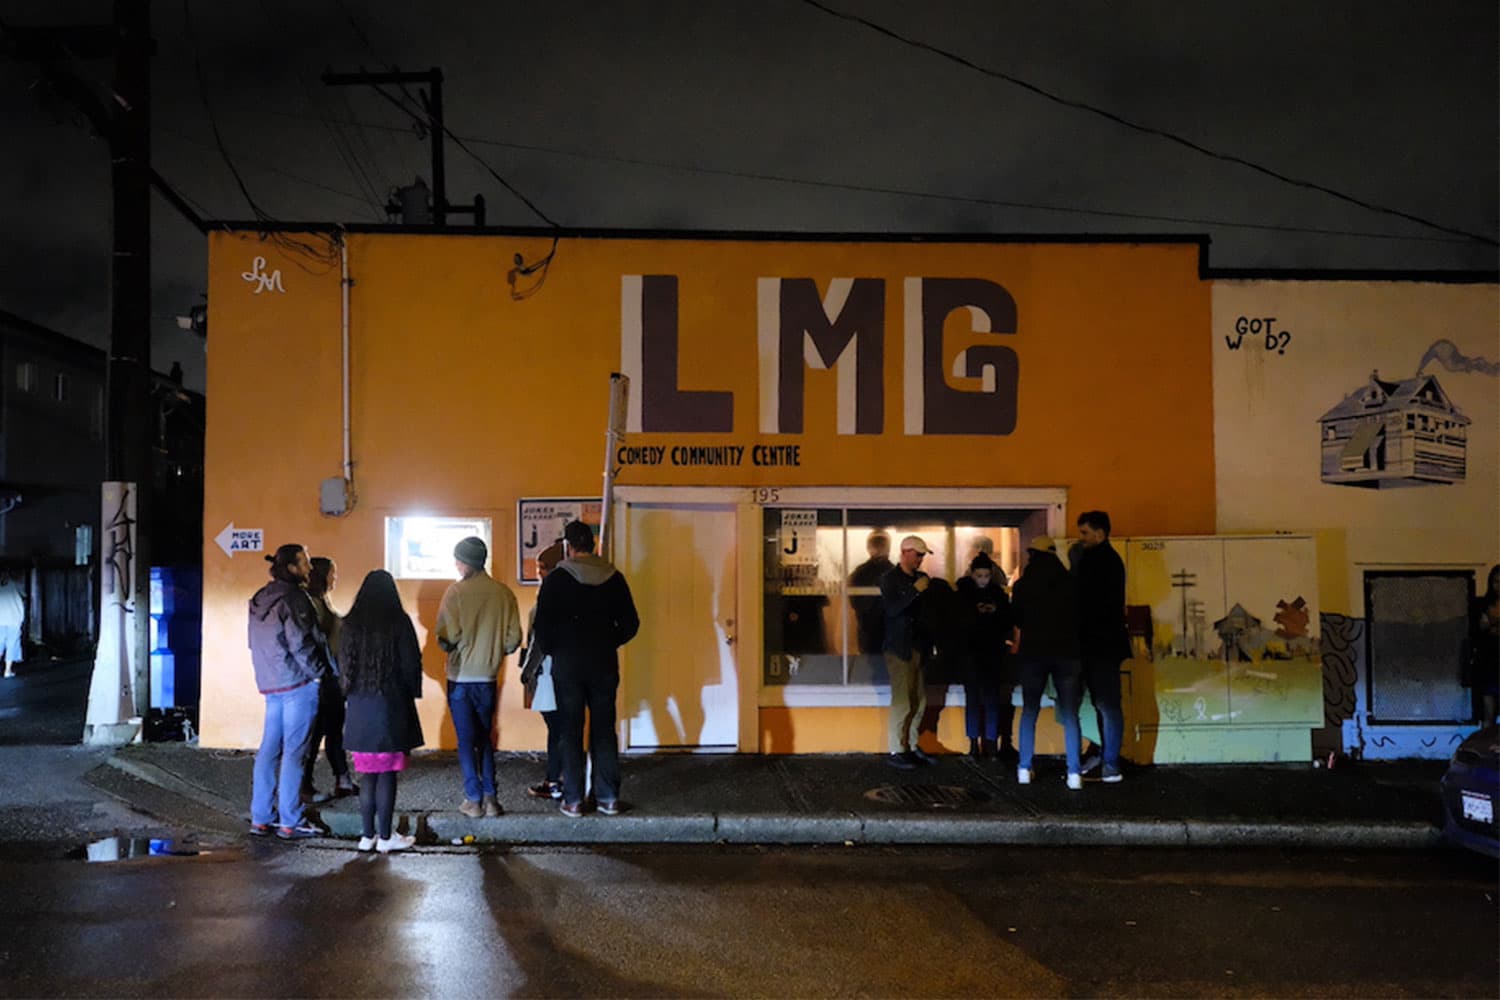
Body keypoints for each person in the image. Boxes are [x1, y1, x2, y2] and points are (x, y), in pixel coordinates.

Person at [530, 520, 640, 818]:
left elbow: (542, 627)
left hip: (568, 665)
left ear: (568, 546)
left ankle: (574, 799)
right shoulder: (614, 577)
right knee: (604, 728)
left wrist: (557, 649)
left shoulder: (557, 579)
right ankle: (608, 798)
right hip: (603, 663)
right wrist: (609, 641)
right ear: (592, 544)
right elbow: (631, 623)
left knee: (570, 729)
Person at [247, 543, 332, 839]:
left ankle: (261, 818)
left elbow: (254, 642)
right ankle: (290, 821)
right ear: (292, 568)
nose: (310, 568)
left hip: (271, 683)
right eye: (305, 563)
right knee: (295, 752)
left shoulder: (260, 597)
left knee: (269, 750)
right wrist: (319, 674)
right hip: (298, 684)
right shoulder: (295, 598)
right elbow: (300, 643)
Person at [435, 536, 521, 819]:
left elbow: (447, 636)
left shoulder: (455, 593)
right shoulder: (504, 594)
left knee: (465, 740)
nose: (456, 565)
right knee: (485, 737)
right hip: (488, 677)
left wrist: (453, 645)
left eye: (458, 561)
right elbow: (513, 640)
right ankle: (492, 799)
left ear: (465, 562)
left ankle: (473, 800)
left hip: (460, 678)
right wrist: (492, 650)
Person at [340, 570, 424, 853]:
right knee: (387, 774)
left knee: (368, 776)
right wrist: (412, 692)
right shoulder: (399, 622)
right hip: (391, 706)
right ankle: (386, 837)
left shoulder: (350, 624)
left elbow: (344, 667)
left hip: (360, 708)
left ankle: (367, 837)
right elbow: (411, 663)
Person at [1010, 536, 1084, 789]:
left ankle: (1024, 767)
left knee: (1030, 711)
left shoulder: (1023, 585)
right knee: (1070, 713)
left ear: (1033, 555)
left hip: (1033, 654)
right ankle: (1074, 773)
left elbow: (1017, 619)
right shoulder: (1071, 583)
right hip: (1067, 654)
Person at [1073, 511, 1130, 783]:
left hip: (1098, 645)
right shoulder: (1111, 560)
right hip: (1107, 644)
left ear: (1099, 533)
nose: (1081, 538)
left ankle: (1110, 763)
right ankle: (1108, 760)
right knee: (1105, 704)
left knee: (1106, 705)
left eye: (1085, 533)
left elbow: (1082, 600)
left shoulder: (1095, 561)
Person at [301, 556, 357, 803]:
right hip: (323, 678)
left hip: (332, 676)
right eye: (332, 573)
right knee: (317, 735)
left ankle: (341, 780)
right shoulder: (311, 603)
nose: (335, 577)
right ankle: (305, 786)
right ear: (322, 575)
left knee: (333, 730)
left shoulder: (322, 600)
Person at [881, 535, 935, 769]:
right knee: (902, 700)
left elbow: (926, 613)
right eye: (918, 555)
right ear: (905, 552)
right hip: (898, 647)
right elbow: (892, 610)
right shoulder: (889, 579)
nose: (921, 559)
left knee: (918, 700)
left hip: (917, 645)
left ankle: (911, 745)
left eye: (922, 555)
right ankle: (896, 749)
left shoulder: (920, 578)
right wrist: (914, 591)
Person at [958, 552, 1016, 760]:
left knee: (978, 698)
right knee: (987, 698)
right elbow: (1006, 620)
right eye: (980, 576)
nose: (983, 580)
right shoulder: (996, 594)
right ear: (973, 574)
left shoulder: (964, 593)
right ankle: (987, 744)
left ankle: (977, 743)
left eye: (986, 576)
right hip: (985, 651)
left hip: (977, 652)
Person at [519, 542, 565, 799]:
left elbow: (538, 642)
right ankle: (562, 779)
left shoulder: (547, 600)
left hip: (547, 671)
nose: (539, 572)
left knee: (556, 727)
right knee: (562, 727)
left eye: (543, 567)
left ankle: (554, 780)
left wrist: (527, 671)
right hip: (566, 670)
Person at [848, 530, 893, 656]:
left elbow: (855, 602)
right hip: (873, 633)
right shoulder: (895, 572)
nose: (879, 548)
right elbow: (855, 603)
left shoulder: (859, 572)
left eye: (882, 544)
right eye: (877, 544)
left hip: (874, 634)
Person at [1467, 565, 1500, 726]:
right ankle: (1487, 739)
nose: (1498, 586)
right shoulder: (1481, 604)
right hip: (1489, 662)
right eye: (1496, 581)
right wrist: (1485, 627)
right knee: (1488, 711)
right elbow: (1474, 631)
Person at [0, 568, 23, 679]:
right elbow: (24, 595)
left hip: (0, 620)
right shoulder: (15, 585)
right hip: (13, 620)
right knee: (11, 645)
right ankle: (7, 670)